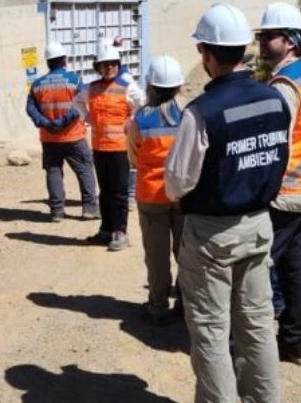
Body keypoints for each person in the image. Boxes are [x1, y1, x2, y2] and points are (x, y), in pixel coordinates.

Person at [166, 3, 291, 402]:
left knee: (210, 331)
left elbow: (177, 183)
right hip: (258, 225)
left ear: (206, 54)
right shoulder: (275, 100)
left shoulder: (201, 112)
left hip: (212, 234)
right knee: (256, 325)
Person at [255, 3, 301, 366]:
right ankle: (297, 341)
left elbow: (274, 141)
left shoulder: (285, 85)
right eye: (261, 36)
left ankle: (248, 344)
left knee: (257, 262)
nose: (262, 42)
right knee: (297, 268)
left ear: (291, 41)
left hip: (285, 192)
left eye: (269, 36)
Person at [127, 54, 186, 322]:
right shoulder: (190, 115)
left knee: (157, 255)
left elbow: (133, 157)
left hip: (151, 195)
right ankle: (186, 304)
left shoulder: (140, 120)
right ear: (178, 86)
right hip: (184, 195)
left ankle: (158, 306)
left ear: (150, 85)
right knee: (186, 253)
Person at [78, 41, 143, 251]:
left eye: (113, 64)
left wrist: (131, 120)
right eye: (105, 64)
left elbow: (142, 103)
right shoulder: (91, 88)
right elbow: (77, 102)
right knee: (105, 191)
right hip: (100, 148)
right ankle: (106, 230)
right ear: (98, 67)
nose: (109, 68)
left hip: (119, 149)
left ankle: (120, 231)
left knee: (119, 192)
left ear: (118, 65)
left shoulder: (127, 86)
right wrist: (87, 117)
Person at [26, 41, 100, 222]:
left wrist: (46, 123)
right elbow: (79, 106)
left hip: (49, 138)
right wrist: (62, 122)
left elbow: (30, 108)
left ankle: (57, 212)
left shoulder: (37, 84)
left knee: (53, 172)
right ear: (64, 60)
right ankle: (89, 208)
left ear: (48, 62)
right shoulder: (74, 81)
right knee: (84, 170)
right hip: (73, 136)